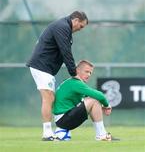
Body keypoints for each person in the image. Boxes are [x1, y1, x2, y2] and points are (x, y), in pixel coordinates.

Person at [26, 11, 88, 141]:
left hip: (45, 68)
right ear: (75, 20)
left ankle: (57, 130)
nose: (80, 29)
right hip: (41, 66)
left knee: (51, 98)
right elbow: (66, 52)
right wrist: (74, 74)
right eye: (81, 26)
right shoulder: (62, 27)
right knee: (48, 97)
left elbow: (64, 51)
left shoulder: (64, 28)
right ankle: (47, 133)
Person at [53, 60, 119, 141]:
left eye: (90, 73)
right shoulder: (76, 83)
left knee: (94, 101)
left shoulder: (71, 82)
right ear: (77, 70)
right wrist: (107, 105)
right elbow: (100, 96)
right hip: (64, 119)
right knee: (94, 100)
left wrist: (100, 106)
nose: (89, 75)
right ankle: (102, 135)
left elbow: (87, 98)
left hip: (62, 119)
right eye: (86, 71)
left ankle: (101, 135)